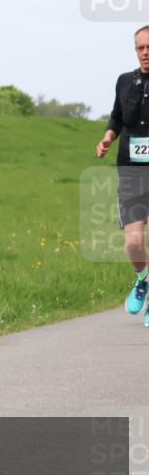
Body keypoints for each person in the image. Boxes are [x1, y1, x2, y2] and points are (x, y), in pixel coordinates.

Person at [96, 24, 149, 327]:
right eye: (140, 48)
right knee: (133, 243)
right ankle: (143, 279)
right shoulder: (124, 82)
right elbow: (116, 117)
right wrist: (107, 138)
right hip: (130, 172)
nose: (145, 53)